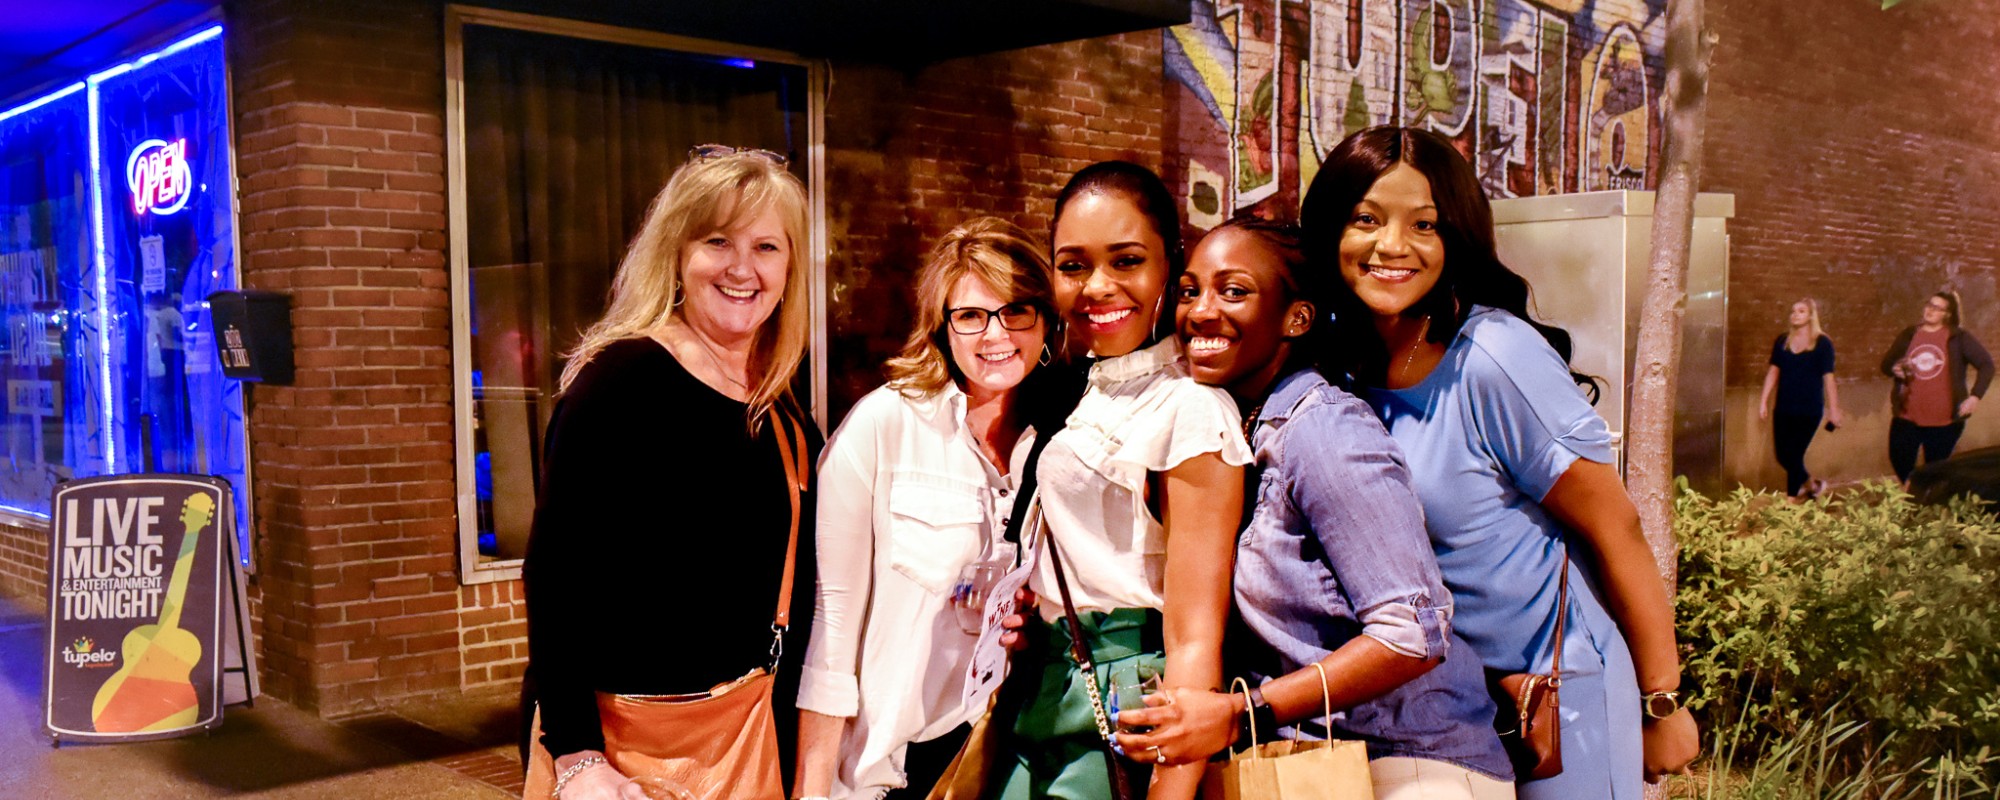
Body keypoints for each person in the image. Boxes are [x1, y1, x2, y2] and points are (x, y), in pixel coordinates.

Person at [1300, 126, 1698, 799]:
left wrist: (1663, 703)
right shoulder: (1338, 368)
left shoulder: (1493, 357)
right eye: (1366, 219)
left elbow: (1616, 528)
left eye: (1423, 224)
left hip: (1558, 693)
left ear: (1453, 237)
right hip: (1448, 706)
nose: (1392, 246)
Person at [1115, 214, 1514, 798]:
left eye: (1234, 291)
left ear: (1296, 318)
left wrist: (1239, 714)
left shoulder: (1323, 429)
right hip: (1310, 765)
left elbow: (1414, 631)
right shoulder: (1229, 433)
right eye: (1190, 290)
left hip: (1409, 765)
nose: (1200, 310)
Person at [522, 145, 818, 800]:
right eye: (718, 241)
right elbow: (555, 575)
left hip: (745, 743)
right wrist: (577, 756)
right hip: (619, 756)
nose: (743, 268)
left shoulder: (783, 408)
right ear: (679, 255)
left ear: (791, 266)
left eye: (767, 247)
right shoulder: (620, 383)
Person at [990, 161, 1250, 800]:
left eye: (1126, 261)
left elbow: (1193, 637)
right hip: (1046, 682)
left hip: (1127, 695)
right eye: (1074, 265)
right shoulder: (1073, 391)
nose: (1097, 286)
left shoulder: (1189, 407)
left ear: (1171, 265)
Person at [793, 218, 1056, 799]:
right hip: (892, 773)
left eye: (1017, 310)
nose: (996, 334)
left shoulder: (1062, 445)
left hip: (1010, 760)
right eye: (971, 316)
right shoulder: (884, 427)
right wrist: (812, 791)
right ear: (942, 326)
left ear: (1044, 320)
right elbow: (831, 629)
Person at [1880, 290, 1992, 485]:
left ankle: (1925, 503)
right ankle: (1911, 491)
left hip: (1944, 420)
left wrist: (1974, 397)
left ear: (1947, 314)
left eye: (1937, 308)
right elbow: (1886, 364)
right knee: (1898, 457)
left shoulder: (1958, 337)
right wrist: (1894, 368)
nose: (1930, 310)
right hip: (1907, 414)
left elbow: (1986, 365)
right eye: (1929, 305)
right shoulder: (1909, 334)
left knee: (1935, 470)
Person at [1758, 299, 1842, 498]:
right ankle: (1812, 485)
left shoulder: (1822, 344)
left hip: (1809, 409)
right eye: (1793, 311)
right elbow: (1773, 372)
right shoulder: (1782, 341)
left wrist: (1834, 409)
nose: (1795, 314)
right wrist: (1763, 400)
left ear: (1811, 315)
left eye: (1801, 311)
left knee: (1794, 454)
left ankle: (1791, 499)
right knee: (1782, 455)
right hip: (1784, 407)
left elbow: (1829, 379)